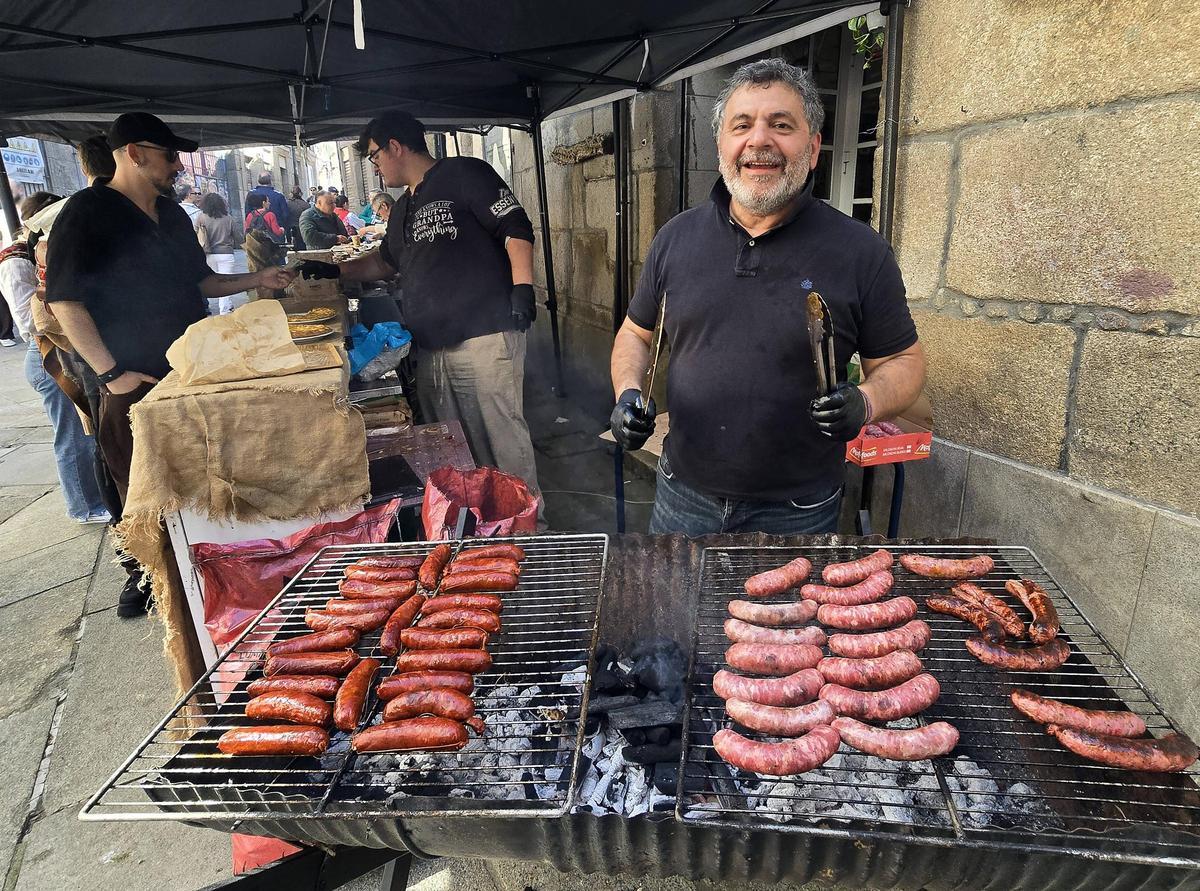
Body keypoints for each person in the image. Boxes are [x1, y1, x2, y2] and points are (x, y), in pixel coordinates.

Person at [608, 58, 926, 536]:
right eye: (742, 125)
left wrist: (866, 401)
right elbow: (635, 334)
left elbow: (904, 362)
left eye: (781, 125)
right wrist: (628, 395)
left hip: (798, 510)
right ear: (721, 145)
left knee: (791, 594)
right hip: (682, 496)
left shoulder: (861, 251)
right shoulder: (675, 238)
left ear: (813, 148)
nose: (759, 140)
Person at [45, 112, 295, 616]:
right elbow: (65, 302)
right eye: (168, 155)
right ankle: (144, 574)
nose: (177, 165)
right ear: (134, 154)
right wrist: (112, 374)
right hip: (130, 378)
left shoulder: (174, 214)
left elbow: (203, 282)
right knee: (136, 484)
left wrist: (259, 280)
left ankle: (211, 568)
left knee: (199, 476)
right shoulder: (86, 211)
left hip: (192, 371)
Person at [304, 111, 544, 522]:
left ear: (395, 146)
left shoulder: (465, 173)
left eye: (375, 156)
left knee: (501, 443)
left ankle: (529, 531)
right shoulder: (403, 207)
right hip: (432, 349)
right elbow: (384, 262)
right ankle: (477, 533)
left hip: (483, 338)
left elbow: (515, 226)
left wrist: (523, 287)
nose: (375, 167)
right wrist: (335, 270)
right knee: (452, 449)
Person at [0, 192, 110, 524]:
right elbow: (28, 320)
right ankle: (84, 506)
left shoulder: (47, 250)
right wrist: (66, 308)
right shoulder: (16, 260)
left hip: (68, 351)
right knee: (72, 435)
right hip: (48, 355)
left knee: (85, 431)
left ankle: (93, 498)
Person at [196, 192, 246, 314]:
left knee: (213, 281)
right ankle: (224, 310)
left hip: (208, 254)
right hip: (226, 254)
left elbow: (195, 234)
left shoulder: (201, 217)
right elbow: (238, 237)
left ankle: (226, 306)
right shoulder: (228, 218)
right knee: (226, 283)